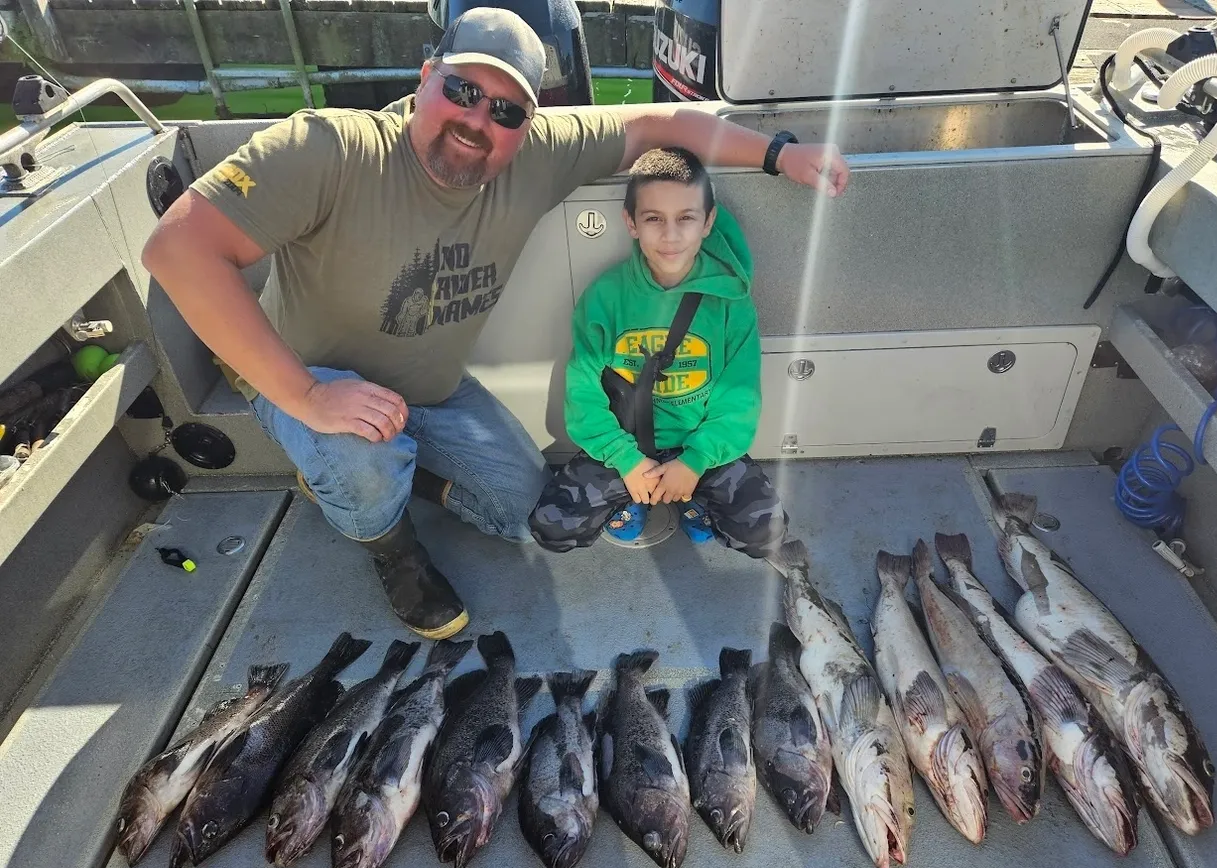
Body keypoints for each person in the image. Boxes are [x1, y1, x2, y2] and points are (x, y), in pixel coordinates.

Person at [141, 6, 848, 640]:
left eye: (509, 111)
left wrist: (781, 154)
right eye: (464, 90)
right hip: (310, 379)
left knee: (524, 514)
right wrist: (307, 398)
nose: (481, 121)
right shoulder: (331, 147)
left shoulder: (535, 156)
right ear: (426, 76)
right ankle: (391, 547)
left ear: (530, 124)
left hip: (432, 393)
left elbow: (662, 125)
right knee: (357, 456)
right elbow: (178, 248)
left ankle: (387, 473)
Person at [529, 146, 785, 557]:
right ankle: (633, 495)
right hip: (626, 445)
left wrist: (696, 461)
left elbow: (739, 397)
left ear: (708, 222)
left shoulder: (731, 303)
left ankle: (692, 497)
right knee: (553, 530)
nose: (670, 235)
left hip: (698, 446)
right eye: (654, 219)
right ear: (631, 222)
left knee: (765, 534)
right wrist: (626, 461)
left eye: (686, 217)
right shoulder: (605, 298)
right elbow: (583, 392)